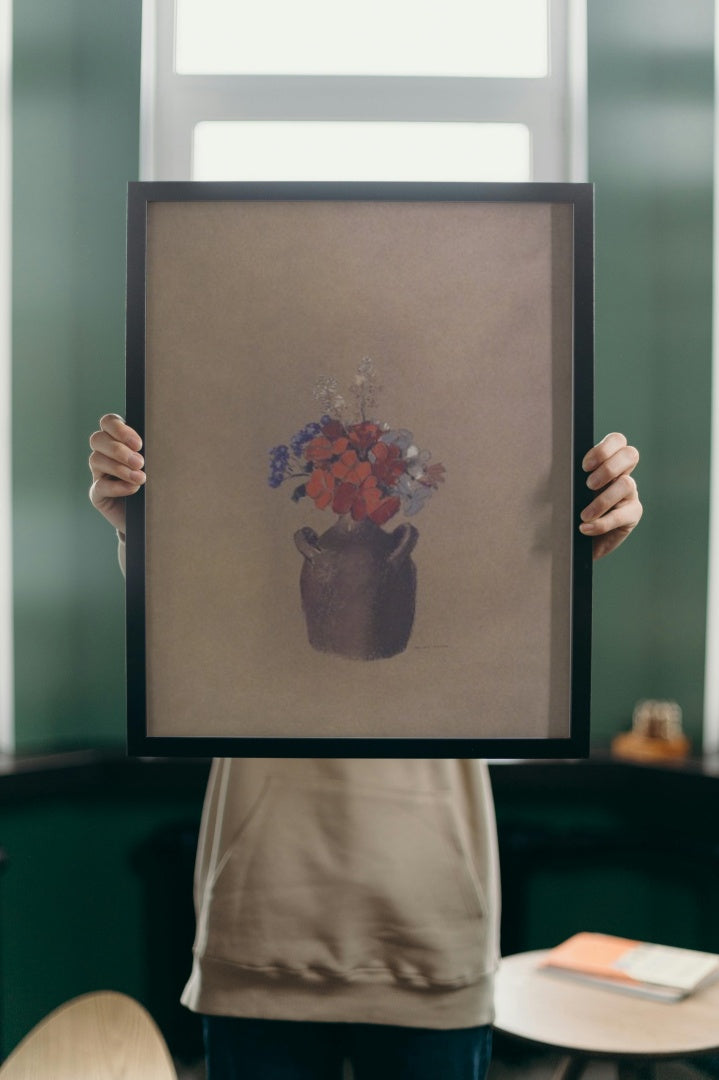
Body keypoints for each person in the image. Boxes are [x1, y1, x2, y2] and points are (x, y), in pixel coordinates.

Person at [89, 416, 642, 1080]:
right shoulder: (237, 499)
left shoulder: (480, 485)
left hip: (432, 929)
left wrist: (569, 552)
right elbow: (188, 620)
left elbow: (505, 632)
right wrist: (138, 523)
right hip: (263, 924)